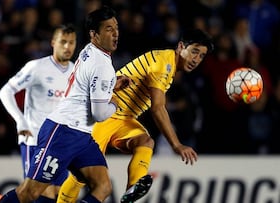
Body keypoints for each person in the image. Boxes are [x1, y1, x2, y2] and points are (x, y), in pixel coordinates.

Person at [57, 28, 214, 203]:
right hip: (103, 115)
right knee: (82, 174)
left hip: (123, 118)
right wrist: (176, 145)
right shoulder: (164, 64)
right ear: (180, 46)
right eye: (194, 51)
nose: (196, 59)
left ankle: (130, 194)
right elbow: (158, 108)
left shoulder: (168, 64)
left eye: (201, 56)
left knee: (146, 142)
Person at [0, 5, 130, 203]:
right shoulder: (101, 65)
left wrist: (110, 86)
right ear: (94, 34)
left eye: (116, 27)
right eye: (109, 29)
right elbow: (100, 113)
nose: (115, 33)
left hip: (82, 136)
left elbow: (87, 85)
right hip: (62, 133)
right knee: (31, 193)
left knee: (103, 186)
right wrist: (115, 103)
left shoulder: (89, 51)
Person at [0, 24, 77, 202]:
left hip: (60, 144)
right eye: (63, 42)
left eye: (71, 42)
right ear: (53, 43)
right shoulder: (37, 68)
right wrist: (20, 121)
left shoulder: (77, 73)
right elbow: (5, 92)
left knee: (58, 194)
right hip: (35, 140)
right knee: (39, 192)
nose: (67, 47)